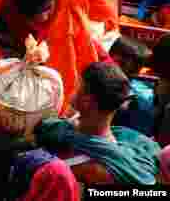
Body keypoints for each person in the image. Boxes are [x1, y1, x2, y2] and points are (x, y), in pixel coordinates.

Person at [36, 62, 164, 186]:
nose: (74, 91)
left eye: (78, 86)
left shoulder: (90, 169)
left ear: (87, 100)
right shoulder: (121, 145)